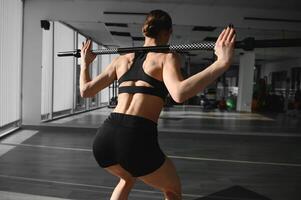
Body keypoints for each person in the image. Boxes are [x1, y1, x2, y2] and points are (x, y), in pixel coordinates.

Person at [80, 9, 236, 200]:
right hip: (134, 138)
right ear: (167, 33)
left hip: (104, 139)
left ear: (145, 31)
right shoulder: (166, 57)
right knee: (172, 190)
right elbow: (179, 93)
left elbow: (86, 91)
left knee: (127, 178)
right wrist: (222, 62)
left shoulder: (122, 59)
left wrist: (85, 64)